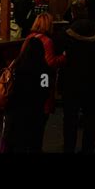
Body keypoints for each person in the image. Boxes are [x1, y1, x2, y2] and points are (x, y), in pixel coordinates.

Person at [61, 5, 95, 154]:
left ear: (73, 14)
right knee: (90, 118)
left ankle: (69, 147)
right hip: (93, 80)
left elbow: (61, 56)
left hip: (71, 81)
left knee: (70, 118)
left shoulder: (67, 32)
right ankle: (88, 147)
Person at [22, 13, 65, 148]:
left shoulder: (28, 38)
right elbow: (50, 62)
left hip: (27, 86)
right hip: (41, 84)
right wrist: (64, 57)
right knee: (39, 123)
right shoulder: (47, 41)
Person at [3, 37, 51, 153]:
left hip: (16, 111)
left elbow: (13, 89)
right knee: (33, 142)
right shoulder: (44, 69)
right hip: (35, 111)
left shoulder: (17, 65)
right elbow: (45, 90)